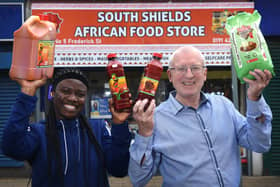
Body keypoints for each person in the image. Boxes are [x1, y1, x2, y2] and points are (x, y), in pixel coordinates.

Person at [129, 45, 273, 187]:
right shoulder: (156, 119)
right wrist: (145, 133)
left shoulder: (224, 106)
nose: (189, 74)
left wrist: (254, 98)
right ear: (170, 75)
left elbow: (260, 144)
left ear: (204, 73)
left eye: (195, 68)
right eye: (181, 68)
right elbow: (139, 179)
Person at [1, 68, 131, 187]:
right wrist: (27, 93)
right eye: (65, 91)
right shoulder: (39, 132)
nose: (73, 98)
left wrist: (119, 124)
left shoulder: (99, 128)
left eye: (80, 94)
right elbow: (12, 149)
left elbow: (119, 169)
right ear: (52, 93)